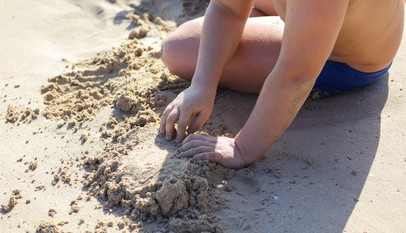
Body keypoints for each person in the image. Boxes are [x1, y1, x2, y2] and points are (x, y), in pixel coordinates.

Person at [159, 0, 404, 168]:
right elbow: (227, 9)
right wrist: (203, 84)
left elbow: (296, 76)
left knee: (180, 48)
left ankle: (301, 23)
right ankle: (299, 21)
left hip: (343, 63)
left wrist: (241, 148)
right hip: (325, 15)